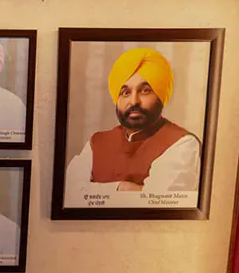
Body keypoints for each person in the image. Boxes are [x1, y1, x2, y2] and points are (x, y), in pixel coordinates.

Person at [65, 48, 201, 196]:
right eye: (126, 92)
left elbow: (156, 202)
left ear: (160, 97)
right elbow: (69, 193)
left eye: (145, 91)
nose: (134, 101)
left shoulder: (182, 143)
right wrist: (123, 188)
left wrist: (94, 191)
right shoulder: (97, 142)